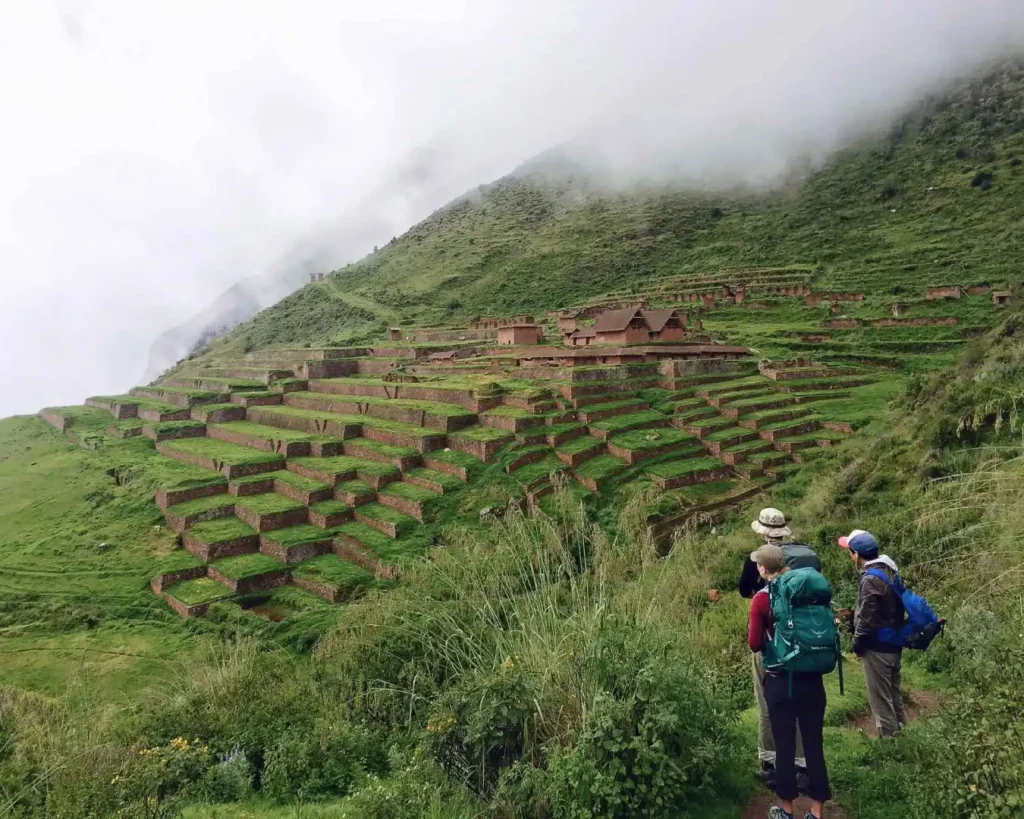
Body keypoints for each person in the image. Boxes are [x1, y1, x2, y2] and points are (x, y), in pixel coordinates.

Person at [748, 544, 832, 819]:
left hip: (780, 681)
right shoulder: (807, 590)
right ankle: (816, 812)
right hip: (812, 681)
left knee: (784, 745)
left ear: (762, 568)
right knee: (813, 744)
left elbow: (754, 643)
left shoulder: (762, 599)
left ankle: (785, 810)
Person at [741, 508, 820, 786]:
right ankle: (804, 764)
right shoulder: (801, 560)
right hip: (803, 646)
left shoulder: (757, 563)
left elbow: (743, 591)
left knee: (767, 704)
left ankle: (771, 762)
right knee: (800, 705)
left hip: (771, 650)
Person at [839, 529, 906, 737]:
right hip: (894, 643)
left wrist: (857, 644)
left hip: (877, 647)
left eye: (850, 552)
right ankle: (905, 739)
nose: (850, 556)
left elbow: (867, 618)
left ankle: (889, 746)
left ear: (857, 554)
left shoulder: (870, 579)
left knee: (881, 701)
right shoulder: (890, 570)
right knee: (894, 696)